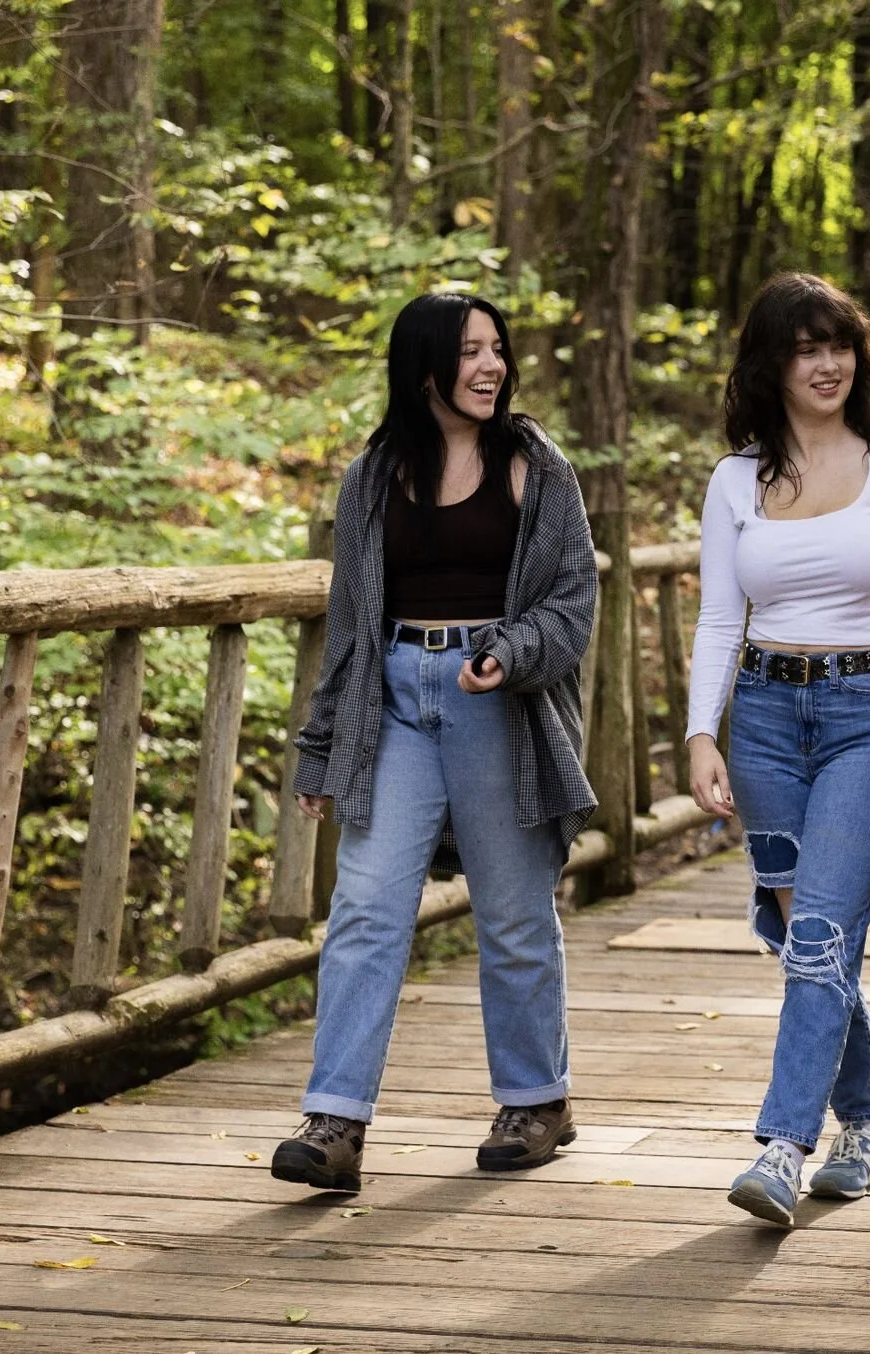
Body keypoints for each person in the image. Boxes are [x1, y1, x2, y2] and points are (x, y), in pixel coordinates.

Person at [271, 293, 598, 1193]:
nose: (492, 367)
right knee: (367, 908)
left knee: (514, 910)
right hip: (396, 702)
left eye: (499, 349)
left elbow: (573, 604)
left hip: (498, 700)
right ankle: (334, 1122)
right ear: (425, 370)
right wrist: (321, 746)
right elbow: (348, 626)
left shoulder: (537, 466)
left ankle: (537, 1100)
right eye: (471, 353)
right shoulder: (373, 477)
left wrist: (512, 651)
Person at [685, 273, 870, 1227]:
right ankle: (867, 1130)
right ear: (773, 362)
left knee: (819, 937)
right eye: (806, 347)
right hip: (763, 720)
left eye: (839, 342)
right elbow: (722, 616)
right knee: (809, 942)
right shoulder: (734, 481)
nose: (828, 362)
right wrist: (699, 732)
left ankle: (781, 1146)